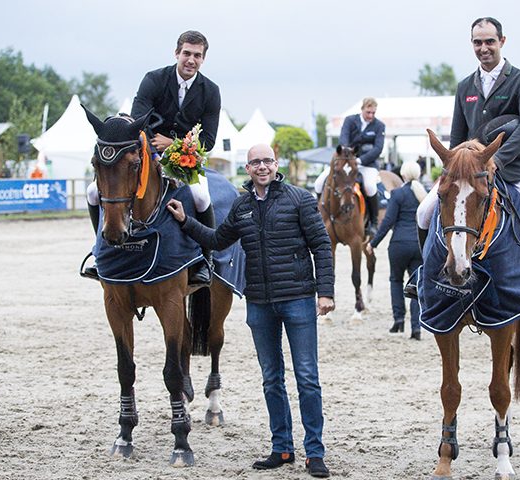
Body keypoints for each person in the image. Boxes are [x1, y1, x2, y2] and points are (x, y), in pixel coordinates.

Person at [166, 144, 335, 478]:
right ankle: (282, 447)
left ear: (276, 165)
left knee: (307, 378)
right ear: (247, 168)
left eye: (267, 161)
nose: (262, 167)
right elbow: (217, 240)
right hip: (259, 302)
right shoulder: (242, 206)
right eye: (256, 162)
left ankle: (314, 452)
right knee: (271, 379)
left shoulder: (299, 199)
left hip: (298, 299)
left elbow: (321, 245)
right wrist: (186, 222)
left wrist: (325, 292)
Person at [416, 17, 520, 277]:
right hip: (468, 172)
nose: (484, 47)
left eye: (490, 41)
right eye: (478, 42)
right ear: (472, 44)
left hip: (516, 167)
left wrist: (497, 160)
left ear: (502, 41)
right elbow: (458, 136)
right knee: (424, 212)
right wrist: (453, 167)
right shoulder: (465, 86)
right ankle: (426, 275)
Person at [83, 30, 220, 285]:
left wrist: (174, 145)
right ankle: (99, 250)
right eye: (187, 54)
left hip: (184, 157)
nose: (191, 60)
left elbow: (209, 139)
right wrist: (154, 152)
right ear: (177, 53)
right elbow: (137, 120)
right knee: (92, 192)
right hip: (147, 152)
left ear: (203, 59)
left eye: (197, 56)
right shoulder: (154, 79)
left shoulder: (210, 91)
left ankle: (205, 259)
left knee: (201, 196)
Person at [366, 160, 427, 340]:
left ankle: (398, 321)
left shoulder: (397, 194)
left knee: (396, 281)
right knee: (416, 286)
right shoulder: (424, 194)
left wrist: (373, 243)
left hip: (398, 245)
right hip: (418, 246)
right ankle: (416, 327)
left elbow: (387, 222)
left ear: (403, 175)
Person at [314, 97, 386, 236]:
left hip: (366, 164)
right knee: (318, 183)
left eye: (373, 113)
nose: (371, 116)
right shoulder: (350, 120)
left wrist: (360, 160)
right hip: (345, 161)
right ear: (362, 109)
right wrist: (349, 159)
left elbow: (378, 148)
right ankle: (319, 217)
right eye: (368, 112)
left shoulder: (379, 126)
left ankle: (373, 222)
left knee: (370, 187)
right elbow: (343, 140)